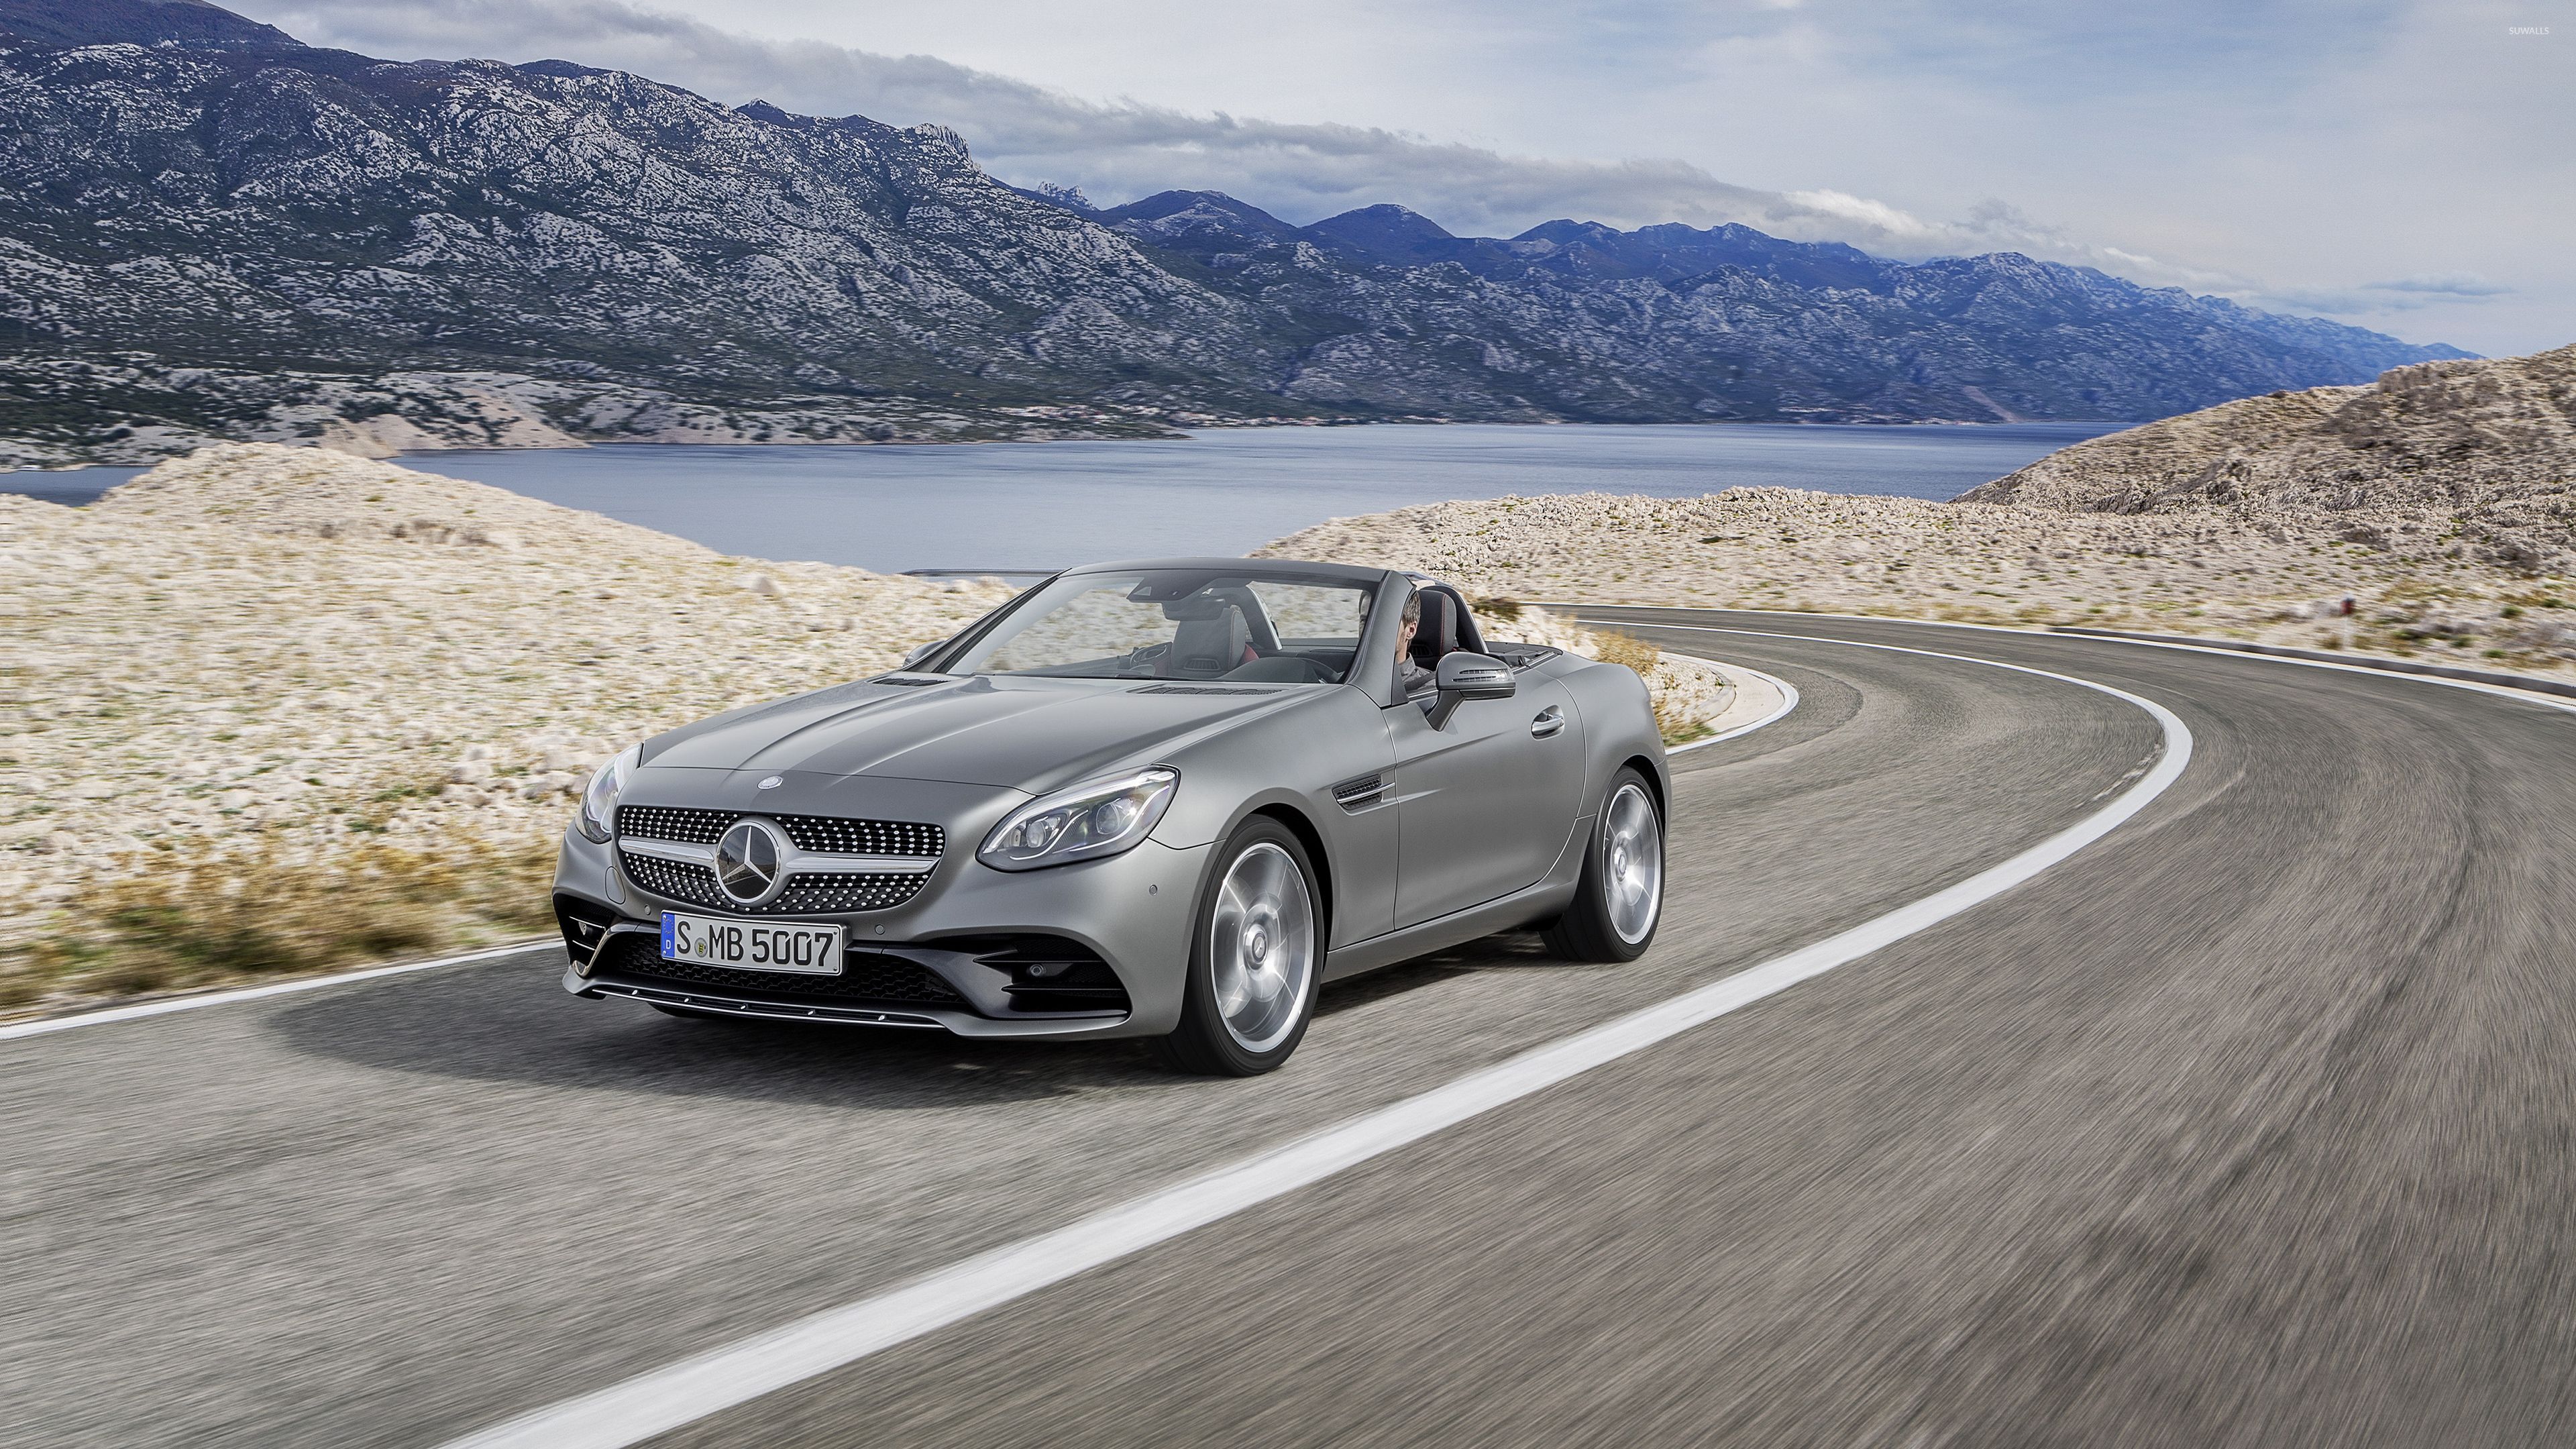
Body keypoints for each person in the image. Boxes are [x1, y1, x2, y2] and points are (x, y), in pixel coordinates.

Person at [1394, 588, 1434, 696]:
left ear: (1410, 631)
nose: (1370, 628)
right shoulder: (1347, 676)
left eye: (1385, 621)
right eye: (1364, 620)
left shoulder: (1428, 691)